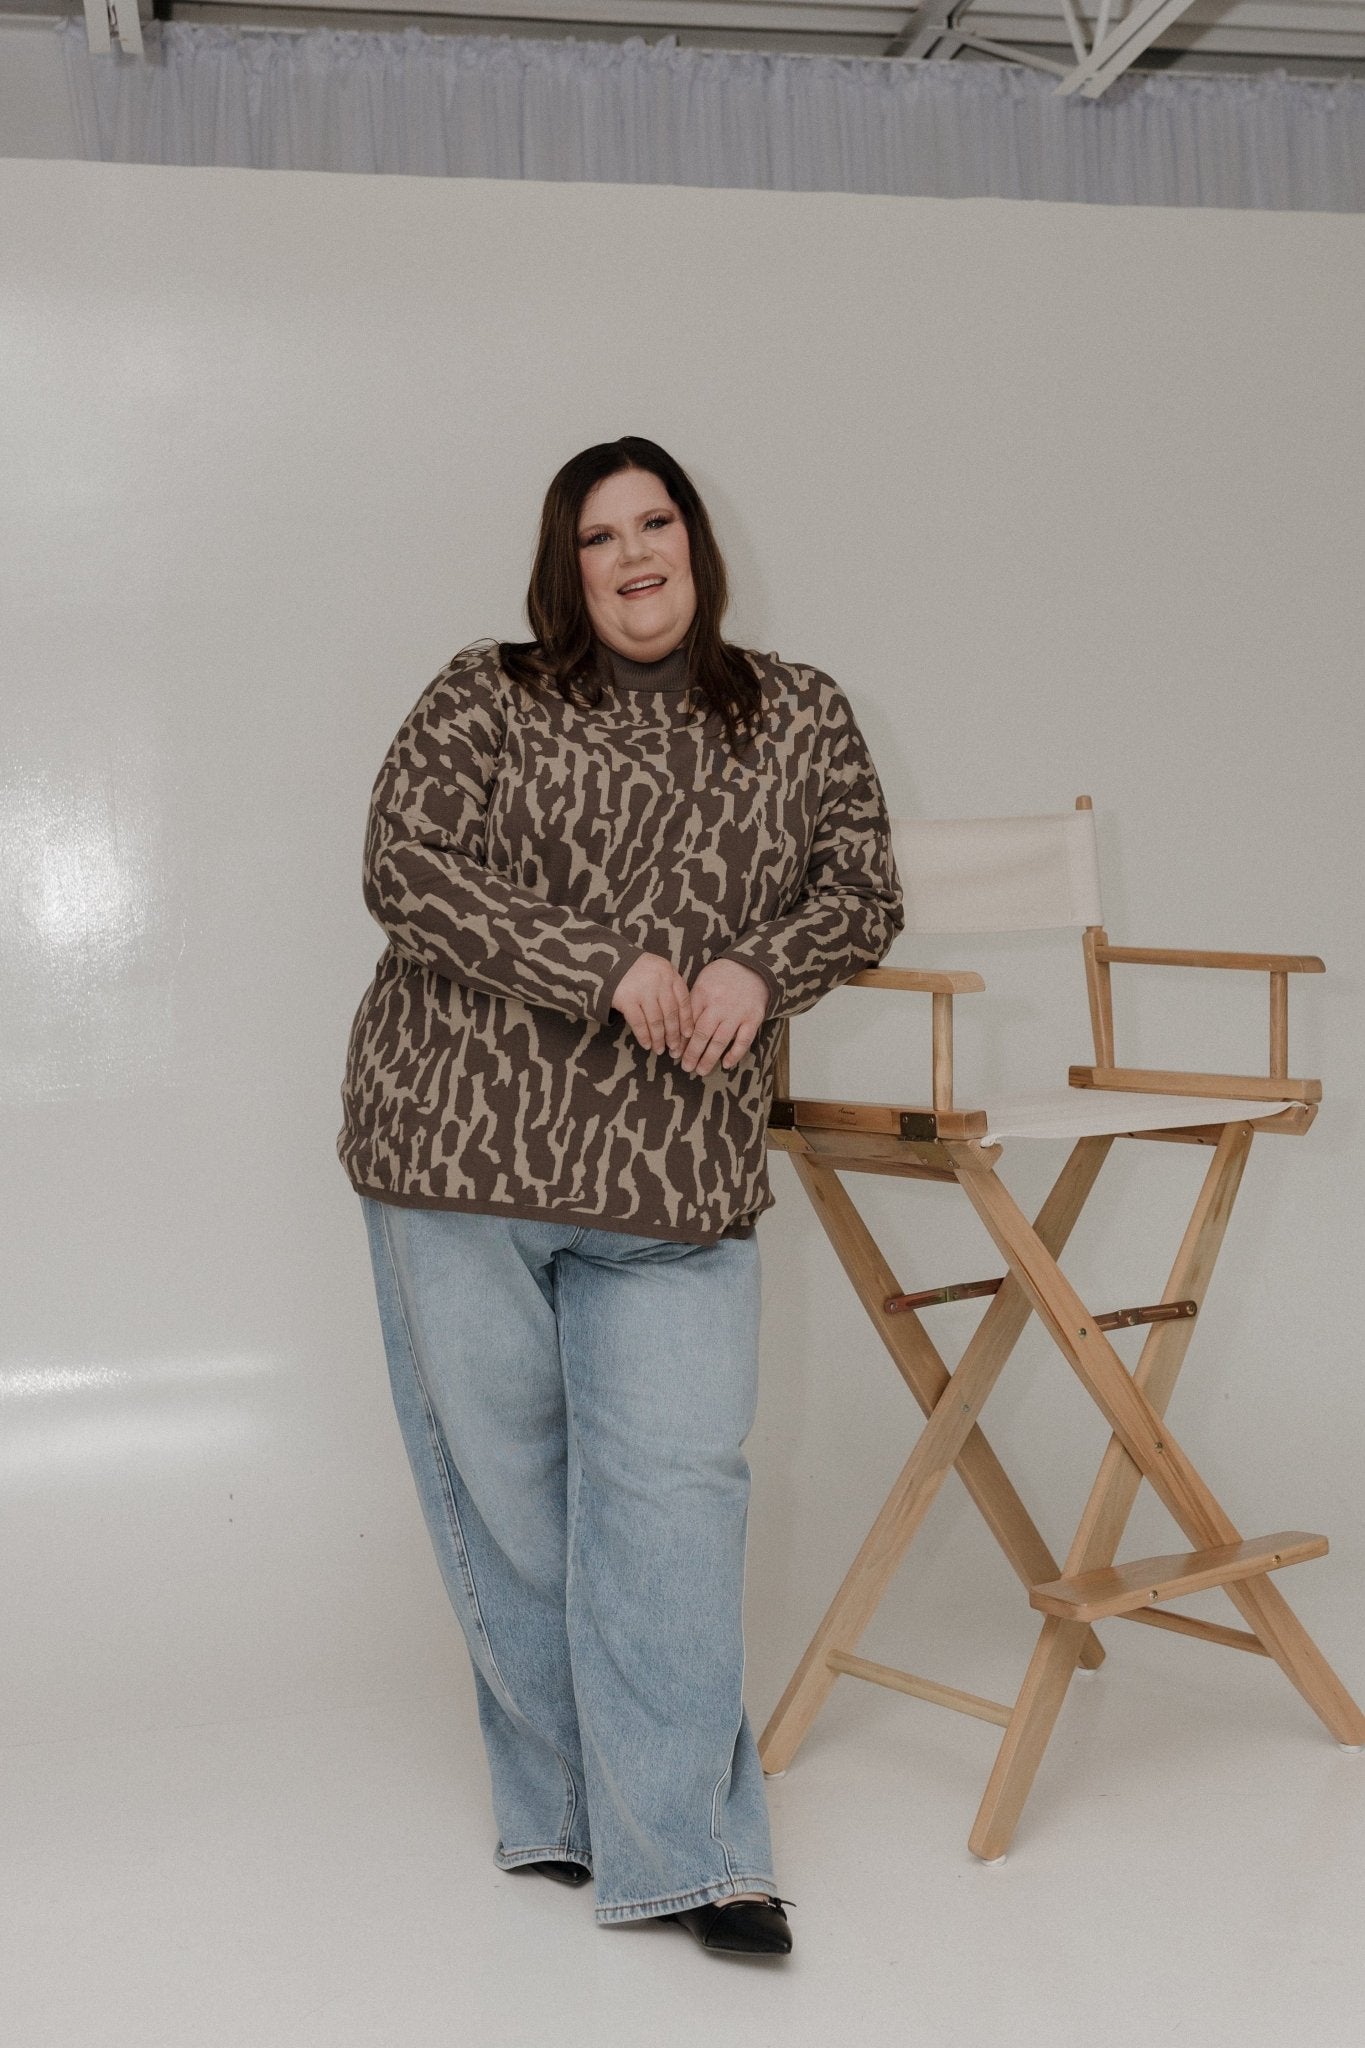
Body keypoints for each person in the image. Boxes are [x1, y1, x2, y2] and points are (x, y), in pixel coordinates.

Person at [336, 436, 905, 1958]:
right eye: (601, 535)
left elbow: (861, 889)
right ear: (565, 566)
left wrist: (760, 965)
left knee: (672, 1511)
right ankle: (574, 1812)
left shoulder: (799, 711)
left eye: (657, 523)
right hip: (460, 1159)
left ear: (696, 544)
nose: (636, 554)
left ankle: (696, 1856)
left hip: (675, 1177)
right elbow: (406, 867)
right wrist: (601, 963)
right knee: (516, 1510)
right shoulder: (487, 693)